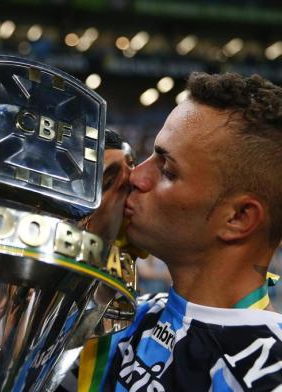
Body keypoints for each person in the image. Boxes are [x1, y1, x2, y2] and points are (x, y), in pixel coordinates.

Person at [66, 72, 282, 391]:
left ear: (238, 218)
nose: (136, 177)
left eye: (167, 170)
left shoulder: (262, 376)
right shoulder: (125, 318)